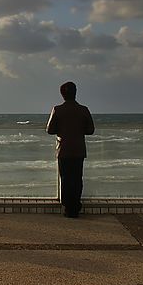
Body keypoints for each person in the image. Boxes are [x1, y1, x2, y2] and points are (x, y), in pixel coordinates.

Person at [45, 81, 95, 218]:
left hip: (64, 149)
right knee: (77, 179)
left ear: (62, 94)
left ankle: (67, 207)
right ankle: (75, 206)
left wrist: (62, 129)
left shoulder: (57, 109)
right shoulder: (83, 109)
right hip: (78, 149)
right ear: (75, 93)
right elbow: (90, 130)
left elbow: (50, 130)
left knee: (65, 179)